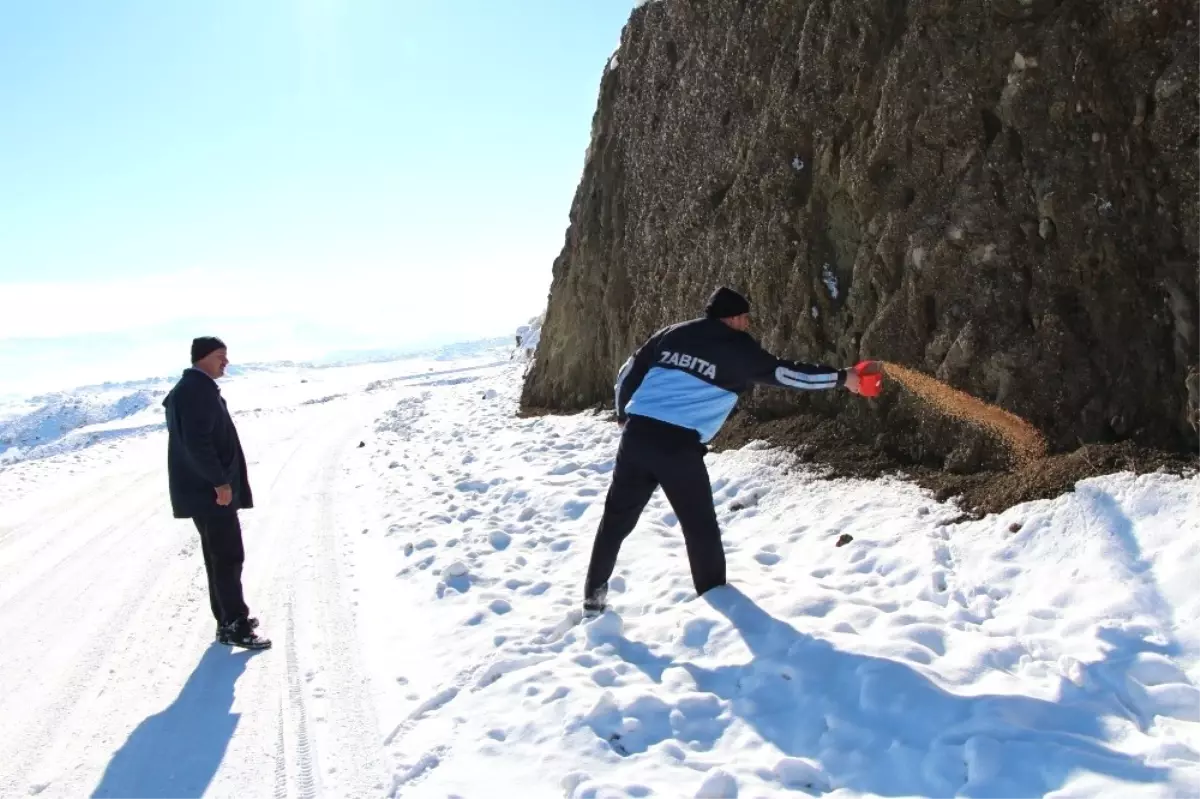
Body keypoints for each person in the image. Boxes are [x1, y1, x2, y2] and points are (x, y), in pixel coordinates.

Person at [582, 287, 879, 613]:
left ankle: (592, 602)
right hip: (678, 445)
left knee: (615, 521)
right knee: (700, 528)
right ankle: (715, 605)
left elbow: (630, 370)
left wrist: (624, 414)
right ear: (735, 318)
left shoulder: (672, 333)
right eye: (746, 318)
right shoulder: (738, 348)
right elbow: (786, 374)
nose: (748, 324)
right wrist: (843, 379)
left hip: (637, 436)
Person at [163, 337, 271, 650]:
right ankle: (235, 625)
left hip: (205, 492)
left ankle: (228, 620)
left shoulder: (194, 388)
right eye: (221, 356)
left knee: (218, 557)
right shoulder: (196, 391)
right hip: (210, 493)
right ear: (203, 357)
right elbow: (198, 443)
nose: (226, 362)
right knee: (227, 557)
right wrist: (220, 482)